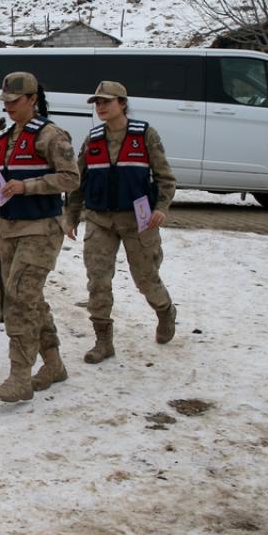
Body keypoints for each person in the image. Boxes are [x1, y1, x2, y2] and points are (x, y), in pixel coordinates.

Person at [0, 72, 79, 402]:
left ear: (33, 100)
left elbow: (70, 178)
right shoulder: (3, 138)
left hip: (41, 229)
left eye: (14, 102)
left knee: (19, 298)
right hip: (8, 229)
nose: (8, 108)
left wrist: (28, 186)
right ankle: (54, 364)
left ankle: (19, 376)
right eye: (4, 102)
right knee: (28, 297)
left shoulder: (50, 136)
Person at [65, 81, 178, 364]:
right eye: (97, 103)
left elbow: (165, 178)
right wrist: (71, 215)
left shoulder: (145, 135)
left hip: (138, 219)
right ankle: (103, 341)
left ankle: (165, 310)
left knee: (145, 278)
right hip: (100, 219)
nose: (101, 107)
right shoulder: (93, 139)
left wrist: (161, 207)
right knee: (98, 281)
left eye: (107, 101)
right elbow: (79, 181)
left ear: (122, 104)